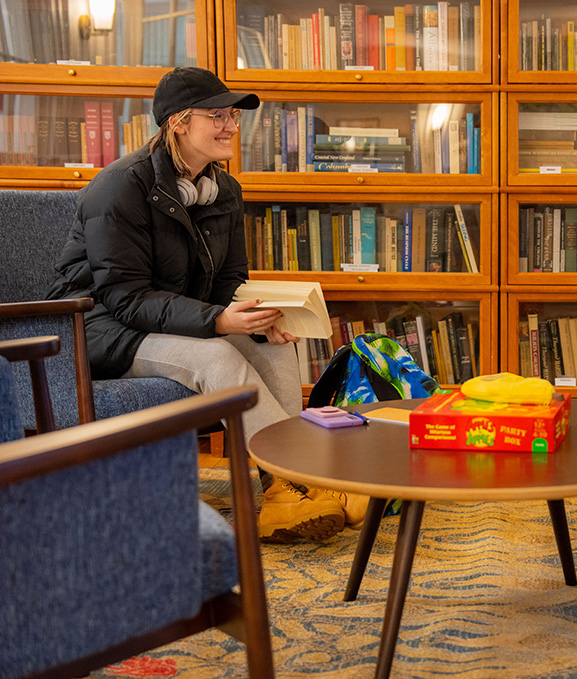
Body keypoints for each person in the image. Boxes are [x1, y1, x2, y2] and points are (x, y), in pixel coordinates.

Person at [47, 67, 366, 543]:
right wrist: (217, 322)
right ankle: (301, 482)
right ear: (177, 122)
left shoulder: (224, 190)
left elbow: (229, 279)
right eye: (216, 115)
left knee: (273, 348)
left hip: (166, 320)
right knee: (218, 355)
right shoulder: (119, 189)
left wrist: (257, 319)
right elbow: (124, 296)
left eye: (233, 115)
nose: (231, 126)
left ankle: (284, 494)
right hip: (96, 326)